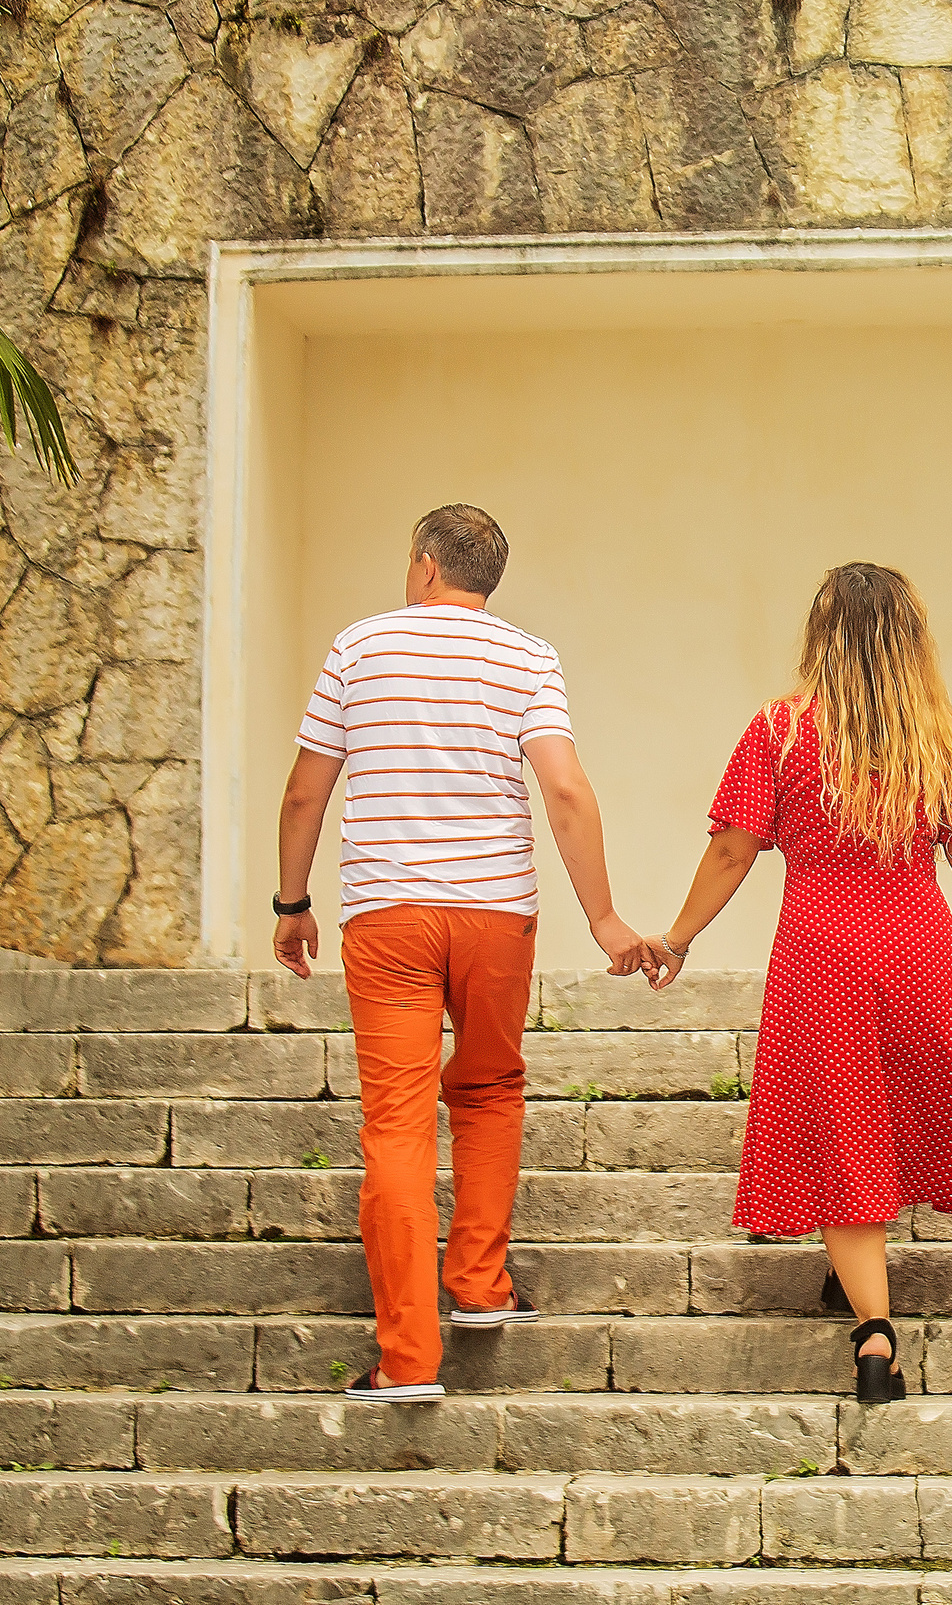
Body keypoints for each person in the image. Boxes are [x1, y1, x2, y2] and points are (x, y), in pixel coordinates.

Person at [644, 563, 952, 1404]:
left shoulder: (779, 730)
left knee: (843, 1116)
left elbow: (732, 849)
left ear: (821, 635)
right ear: (911, 639)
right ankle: (856, 1277)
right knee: (891, 1106)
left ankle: (875, 1330)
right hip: (917, 944)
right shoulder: (938, 735)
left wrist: (677, 937)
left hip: (821, 948)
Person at [273, 504, 645, 1404]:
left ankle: (407, 1359)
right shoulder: (528, 656)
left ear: (426, 565)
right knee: (486, 1086)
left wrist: (293, 903)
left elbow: (303, 794)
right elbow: (563, 787)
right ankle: (478, 1284)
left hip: (389, 916)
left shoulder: (356, 647)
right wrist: (602, 918)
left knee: (396, 1124)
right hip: (495, 918)